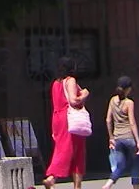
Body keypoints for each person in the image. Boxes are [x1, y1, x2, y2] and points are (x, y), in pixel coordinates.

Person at [42, 56, 89, 189]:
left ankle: (55, 178)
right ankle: (53, 177)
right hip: (70, 118)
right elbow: (73, 101)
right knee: (74, 151)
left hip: (57, 118)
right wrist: (84, 94)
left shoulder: (55, 84)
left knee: (62, 147)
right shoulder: (71, 80)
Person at [101, 76, 139, 189]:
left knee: (120, 165)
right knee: (135, 164)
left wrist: (111, 137)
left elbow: (108, 120)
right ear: (128, 89)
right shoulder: (129, 103)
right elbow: (132, 122)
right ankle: (136, 188)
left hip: (117, 138)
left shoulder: (112, 101)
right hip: (129, 137)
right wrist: (138, 141)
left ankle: (108, 184)